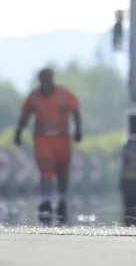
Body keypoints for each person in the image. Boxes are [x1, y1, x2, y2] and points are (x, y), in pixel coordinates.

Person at [14, 68, 83, 226]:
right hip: (43, 140)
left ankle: (62, 200)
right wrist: (18, 132)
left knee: (61, 172)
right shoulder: (34, 97)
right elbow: (25, 115)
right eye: (42, 79)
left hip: (62, 140)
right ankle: (46, 202)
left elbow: (76, 111)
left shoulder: (63, 94)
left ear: (52, 79)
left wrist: (78, 130)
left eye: (47, 79)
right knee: (46, 172)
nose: (44, 82)